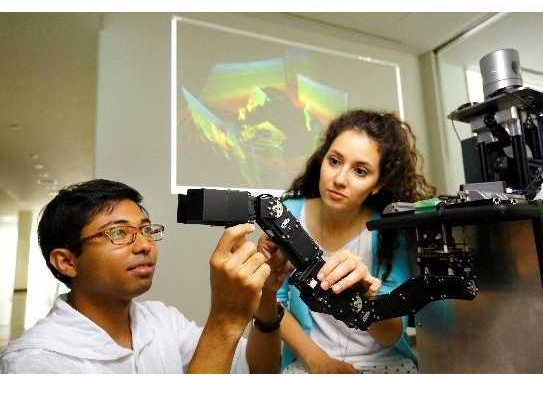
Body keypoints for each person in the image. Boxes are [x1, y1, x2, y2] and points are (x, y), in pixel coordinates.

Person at [0, 179, 290, 373]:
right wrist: (225, 317)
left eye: (146, 230)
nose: (144, 245)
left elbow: (257, 371)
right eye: (118, 232)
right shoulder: (35, 361)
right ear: (66, 262)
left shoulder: (162, 321)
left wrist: (266, 295)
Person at [260, 109, 436, 374]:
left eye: (360, 171)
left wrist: (367, 298)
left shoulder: (390, 229)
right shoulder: (288, 215)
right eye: (334, 161)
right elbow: (274, 303)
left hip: (385, 364)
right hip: (310, 362)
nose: (340, 179)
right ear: (322, 159)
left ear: (378, 184)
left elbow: (391, 335)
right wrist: (317, 360)